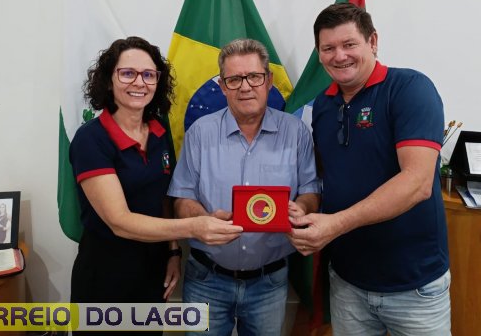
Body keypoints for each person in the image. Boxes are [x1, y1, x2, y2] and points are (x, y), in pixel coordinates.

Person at [289, 3, 450, 336]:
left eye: (349, 44)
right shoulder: (323, 105)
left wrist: (335, 224)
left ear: (372, 41)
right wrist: (300, 209)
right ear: (319, 54)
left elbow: (417, 182)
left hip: (414, 286)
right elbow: (325, 177)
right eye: (328, 48)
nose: (339, 56)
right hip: (347, 282)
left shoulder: (410, 88)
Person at [69, 36, 241, 336]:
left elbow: (164, 199)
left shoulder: (159, 131)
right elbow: (119, 221)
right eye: (128, 73)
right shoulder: (91, 139)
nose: (140, 82)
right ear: (109, 80)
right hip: (106, 276)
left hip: (152, 273)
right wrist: (194, 227)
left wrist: (173, 253)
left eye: (149, 74)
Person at [168, 38, 321, 336]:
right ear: (222, 86)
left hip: (270, 282)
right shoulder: (200, 132)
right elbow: (181, 197)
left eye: (254, 77)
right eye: (234, 79)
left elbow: (311, 190)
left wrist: (300, 208)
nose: (245, 87)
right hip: (206, 279)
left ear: (269, 81)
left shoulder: (296, 132)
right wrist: (203, 220)